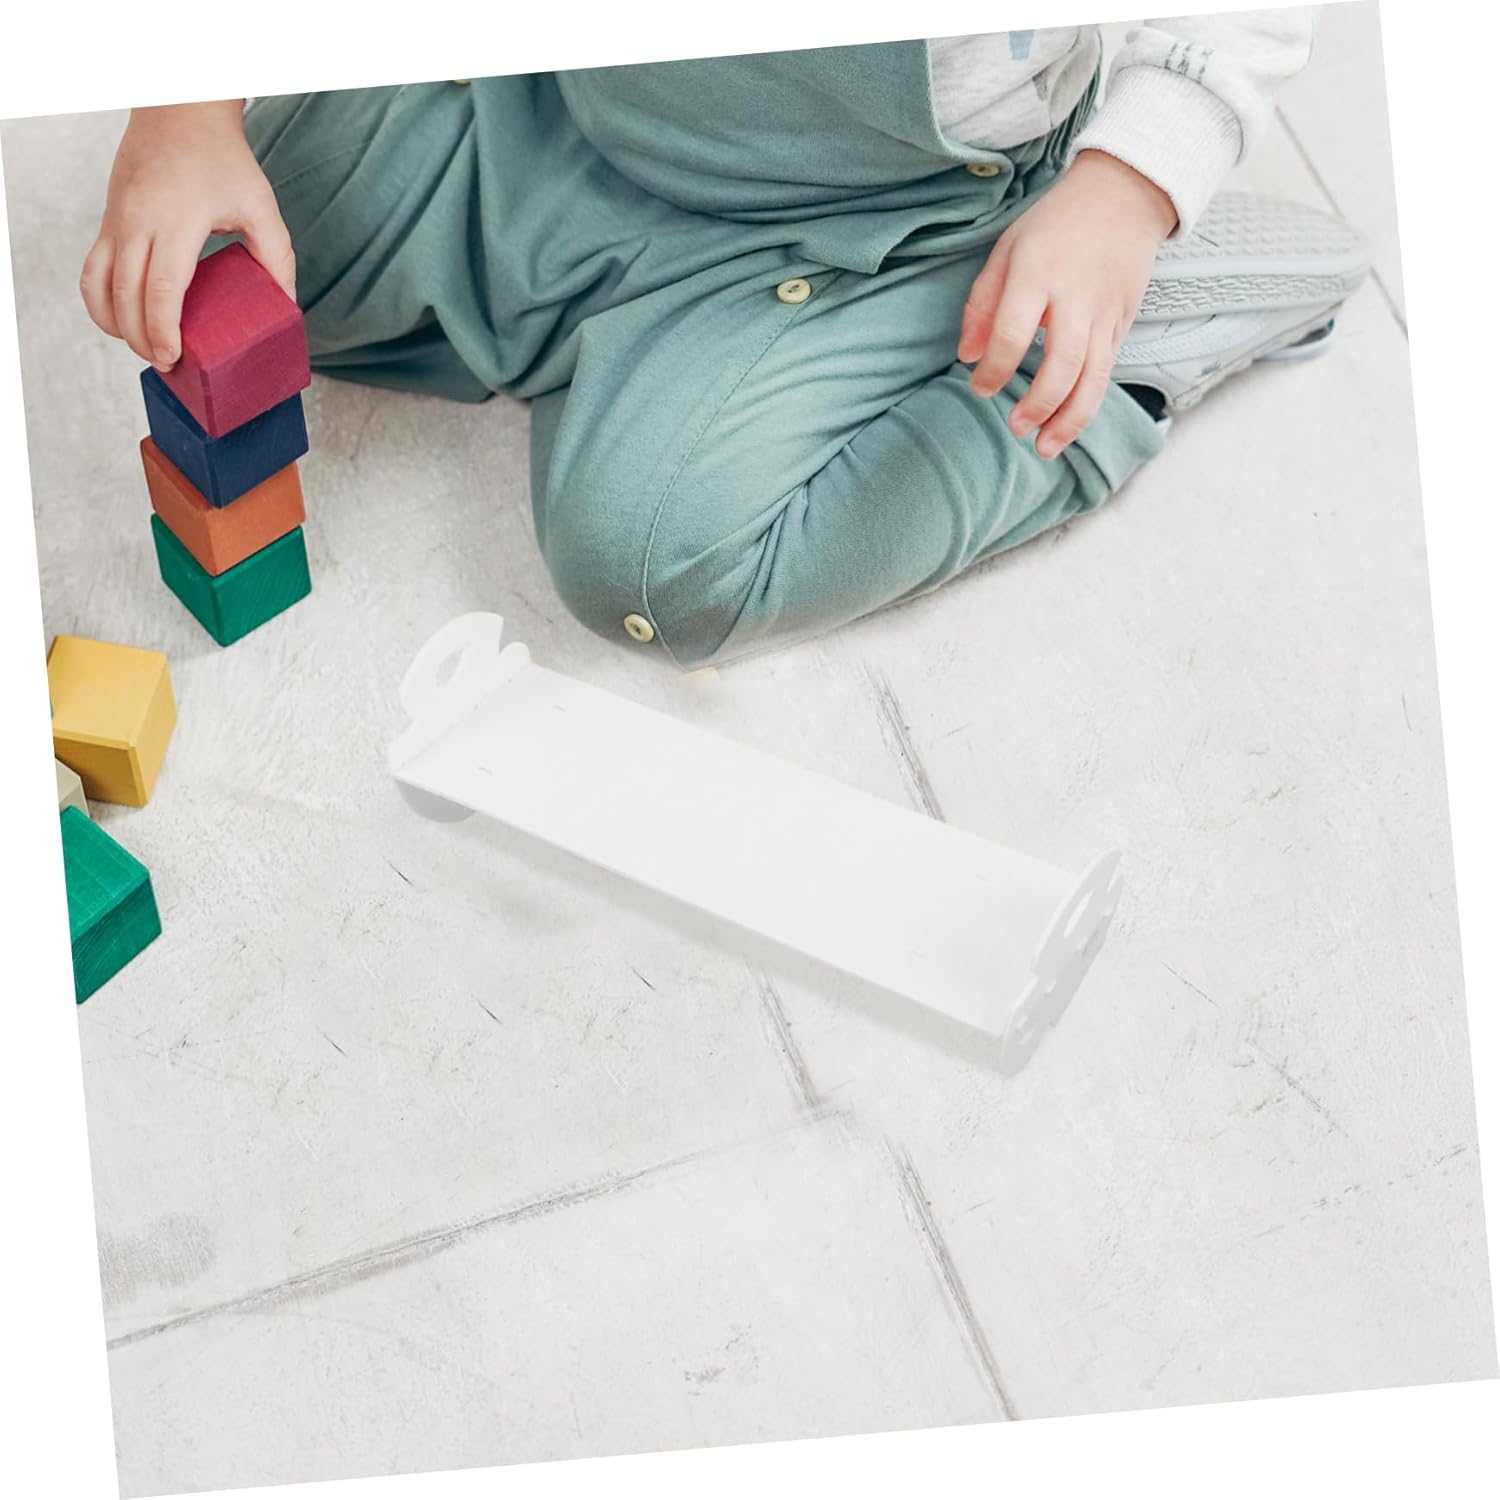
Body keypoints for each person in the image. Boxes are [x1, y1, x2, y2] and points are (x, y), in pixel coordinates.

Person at [82, 13, 1368, 668]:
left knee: (653, 563)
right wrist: (184, 111)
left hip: (880, 219)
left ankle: (1117, 346)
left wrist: (1127, 190)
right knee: (245, 248)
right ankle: (600, 326)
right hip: (568, 98)